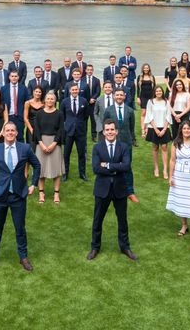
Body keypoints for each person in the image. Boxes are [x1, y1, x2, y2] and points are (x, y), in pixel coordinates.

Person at [0, 121, 42, 272]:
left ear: (16, 133)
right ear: (3, 133)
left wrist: (33, 184)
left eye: (12, 130)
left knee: (20, 228)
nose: (9, 133)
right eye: (7, 130)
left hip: (18, 195)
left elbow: (37, 165)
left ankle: (23, 257)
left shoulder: (25, 148)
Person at [87, 120, 137, 261]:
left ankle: (125, 247)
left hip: (120, 188)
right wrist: (116, 167)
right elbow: (96, 168)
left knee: (122, 220)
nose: (110, 132)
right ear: (103, 132)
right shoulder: (97, 147)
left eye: (112, 129)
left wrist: (108, 165)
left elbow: (126, 166)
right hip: (102, 189)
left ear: (116, 131)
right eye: (107, 130)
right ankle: (95, 247)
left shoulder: (124, 147)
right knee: (98, 219)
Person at [103, 88, 138, 202]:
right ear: (114, 96)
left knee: (127, 167)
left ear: (124, 96)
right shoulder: (108, 110)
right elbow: (105, 127)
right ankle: (110, 190)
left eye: (121, 95)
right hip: (112, 143)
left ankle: (130, 191)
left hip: (126, 143)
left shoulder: (130, 110)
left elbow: (131, 128)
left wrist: (132, 140)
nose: (119, 97)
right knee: (111, 166)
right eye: (117, 95)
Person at [33, 91, 65, 204]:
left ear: (55, 101)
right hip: (41, 143)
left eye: (52, 99)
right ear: (45, 100)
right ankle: (41, 192)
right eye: (48, 98)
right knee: (41, 169)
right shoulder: (39, 113)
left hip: (55, 143)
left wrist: (54, 143)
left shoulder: (59, 114)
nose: (50, 100)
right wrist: (41, 143)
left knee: (56, 170)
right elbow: (36, 129)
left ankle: (56, 193)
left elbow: (61, 130)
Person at [62, 82, 90, 181]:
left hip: (80, 131)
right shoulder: (65, 101)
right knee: (66, 154)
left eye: (76, 89)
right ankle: (65, 173)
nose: (74, 91)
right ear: (70, 91)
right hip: (68, 131)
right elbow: (62, 116)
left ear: (78, 90)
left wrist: (79, 123)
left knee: (81, 154)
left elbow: (86, 115)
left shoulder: (84, 101)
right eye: (73, 90)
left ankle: (82, 173)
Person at [144, 86, 173, 179]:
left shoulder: (166, 102)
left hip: (164, 127)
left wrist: (164, 129)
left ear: (162, 92)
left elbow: (168, 115)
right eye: (157, 91)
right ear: (154, 92)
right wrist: (156, 129)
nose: (158, 92)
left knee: (164, 147)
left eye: (160, 91)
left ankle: (165, 170)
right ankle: (156, 168)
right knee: (155, 147)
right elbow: (149, 115)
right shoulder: (150, 102)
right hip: (153, 127)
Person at [5, 70, 30, 142]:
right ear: (9, 77)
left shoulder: (24, 88)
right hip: (8, 117)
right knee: (8, 137)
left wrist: (25, 116)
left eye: (15, 76)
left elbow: (27, 102)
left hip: (19, 117)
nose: (14, 78)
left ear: (18, 77)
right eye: (12, 76)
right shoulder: (4, 88)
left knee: (20, 137)